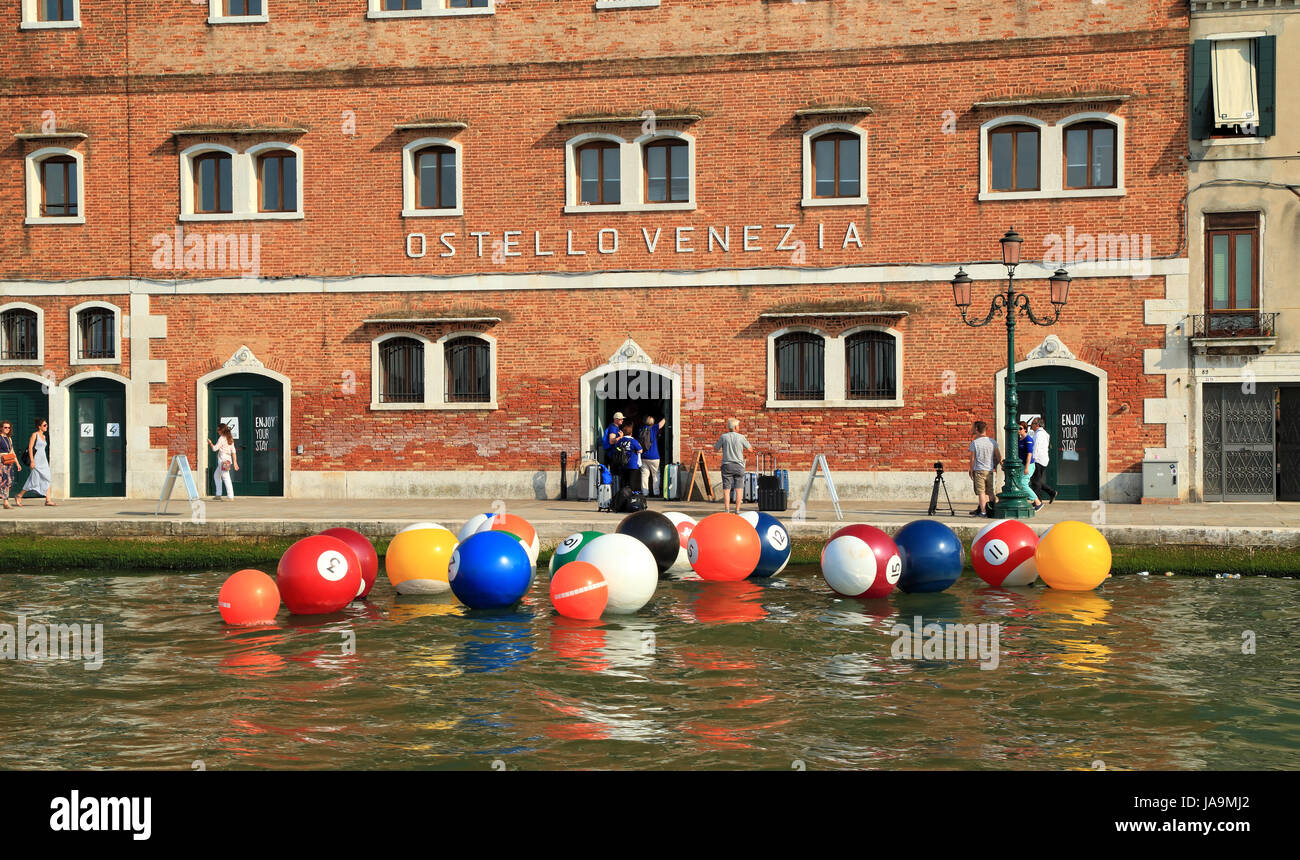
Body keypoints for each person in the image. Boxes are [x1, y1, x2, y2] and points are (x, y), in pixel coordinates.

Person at [714, 417, 752, 514]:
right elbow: (750, 449)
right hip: (739, 466)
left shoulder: (723, 437)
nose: (739, 427)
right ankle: (737, 510)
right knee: (739, 489)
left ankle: (727, 510)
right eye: (738, 426)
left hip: (726, 465)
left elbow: (715, 449)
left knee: (726, 489)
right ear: (735, 427)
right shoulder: (741, 437)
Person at [17, 417, 55, 507]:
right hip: (36, 460)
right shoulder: (35, 435)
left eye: (47, 425)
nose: (46, 427)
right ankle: (19, 495)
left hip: (44, 461)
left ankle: (48, 500)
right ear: (39, 426)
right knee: (33, 480)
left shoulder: (44, 436)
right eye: (44, 425)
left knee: (48, 478)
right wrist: (32, 461)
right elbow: (30, 448)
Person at [968, 420, 1001, 517]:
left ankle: (983, 512)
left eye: (974, 428)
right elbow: (999, 456)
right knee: (991, 492)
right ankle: (993, 510)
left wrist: (971, 470)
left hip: (979, 470)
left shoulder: (975, 443)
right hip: (990, 470)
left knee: (981, 492)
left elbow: (972, 458)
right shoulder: (992, 442)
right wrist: (997, 465)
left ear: (977, 430)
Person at [207, 423, 240, 501]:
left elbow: (215, 449)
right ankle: (218, 494)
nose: (217, 431)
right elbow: (233, 451)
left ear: (221, 430)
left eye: (218, 429)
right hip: (228, 459)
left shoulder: (221, 438)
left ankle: (230, 496)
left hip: (222, 460)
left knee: (226, 477)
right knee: (216, 475)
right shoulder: (230, 438)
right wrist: (235, 462)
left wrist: (210, 443)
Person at [1016, 421, 1044, 512]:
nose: (1018, 430)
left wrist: (1027, 467)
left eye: (1020, 428)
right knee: (1020, 484)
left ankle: (1038, 502)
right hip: (1022, 465)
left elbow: (1029, 454)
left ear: (1025, 429)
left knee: (1023, 484)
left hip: (1028, 465)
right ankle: (1024, 501)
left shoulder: (1028, 439)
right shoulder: (1019, 439)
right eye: (1017, 428)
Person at [1029, 417, 1058, 503]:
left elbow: (1036, 448)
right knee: (1036, 480)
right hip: (1043, 460)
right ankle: (1052, 492)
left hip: (1038, 460)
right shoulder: (1043, 433)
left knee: (1035, 481)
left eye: (1033, 423)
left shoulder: (1039, 434)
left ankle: (1038, 501)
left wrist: (1032, 459)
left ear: (1037, 425)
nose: (1031, 425)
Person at [638, 414, 666, 496]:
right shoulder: (654, 428)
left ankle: (645, 492)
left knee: (644, 475)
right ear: (652, 422)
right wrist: (665, 417)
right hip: (654, 456)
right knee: (656, 475)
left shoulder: (641, 429)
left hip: (643, 456)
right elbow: (661, 424)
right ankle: (656, 492)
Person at [615, 421, 643, 492]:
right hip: (632, 465)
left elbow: (616, 448)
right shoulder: (633, 441)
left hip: (623, 464)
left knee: (624, 483)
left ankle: (623, 496)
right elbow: (640, 450)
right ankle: (631, 497)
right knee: (632, 483)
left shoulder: (620, 441)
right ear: (631, 433)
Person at [0, 420, 17, 510]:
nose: (7, 429)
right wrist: (2, 455)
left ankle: (6, 501)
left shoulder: (9, 438)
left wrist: (17, 463)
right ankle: (5, 502)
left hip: (9, 463)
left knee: (9, 482)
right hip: (1, 463)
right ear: (1, 428)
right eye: (5, 427)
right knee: (3, 481)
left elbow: (12, 451)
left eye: (8, 427)